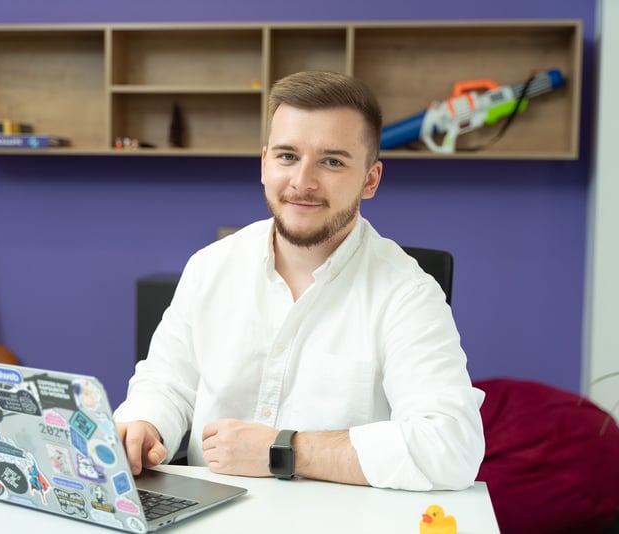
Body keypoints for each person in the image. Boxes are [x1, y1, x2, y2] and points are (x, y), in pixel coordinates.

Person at [113, 70, 485, 490]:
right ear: (264, 164)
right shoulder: (211, 266)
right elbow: (167, 382)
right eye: (287, 156)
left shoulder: (408, 293)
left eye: (332, 161)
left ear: (370, 180)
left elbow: (451, 447)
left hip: (338, 518)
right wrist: (143, 423)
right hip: (208, 513)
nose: (302, 182)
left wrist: (286, 451)